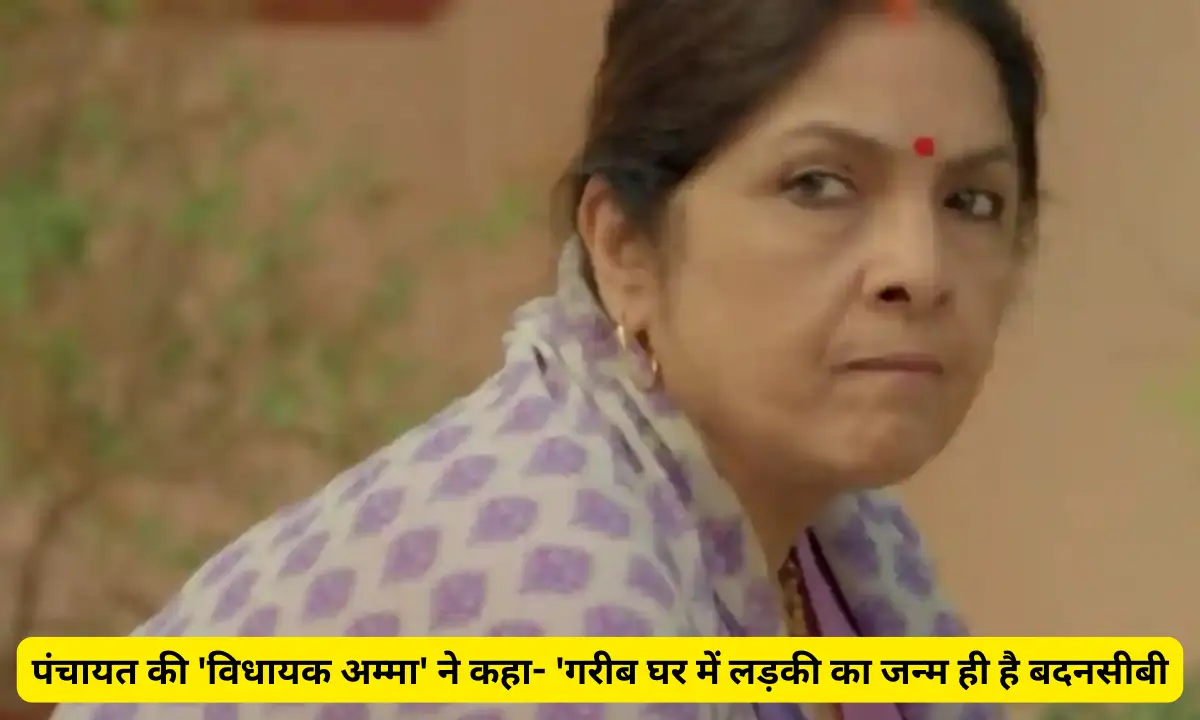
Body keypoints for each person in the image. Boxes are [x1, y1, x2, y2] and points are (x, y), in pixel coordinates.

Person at [51, 0, 1044, 718]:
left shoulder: (846, 544)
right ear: (623, 249)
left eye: (971, 201)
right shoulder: (562, 577)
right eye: (818, 184)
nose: (919, 270)